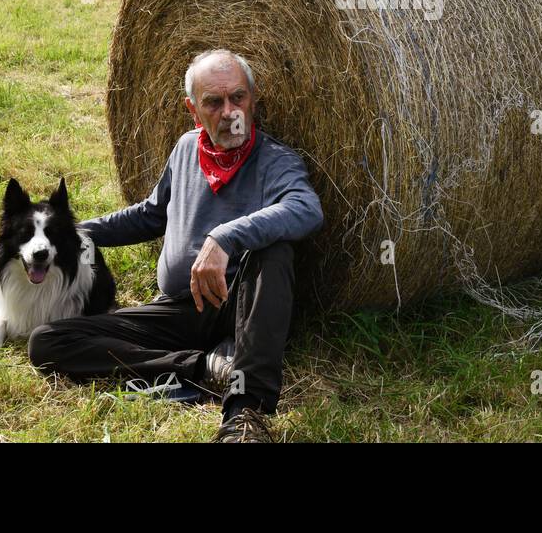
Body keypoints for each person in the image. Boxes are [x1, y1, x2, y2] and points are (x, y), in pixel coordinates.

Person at [26, 49, 323, 444]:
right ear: (192, 109)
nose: (230, 111)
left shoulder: (275, 161)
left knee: (274, 251)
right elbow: (151, 214)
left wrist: (225, 237)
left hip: (243, 306)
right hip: (181, 308)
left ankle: (245, 412)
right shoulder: (186, 149)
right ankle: (201, 367)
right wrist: (72, 233)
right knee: (48, 341)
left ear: (253, 98)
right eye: (214, 102)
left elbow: (305, 209)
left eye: (238, 97)